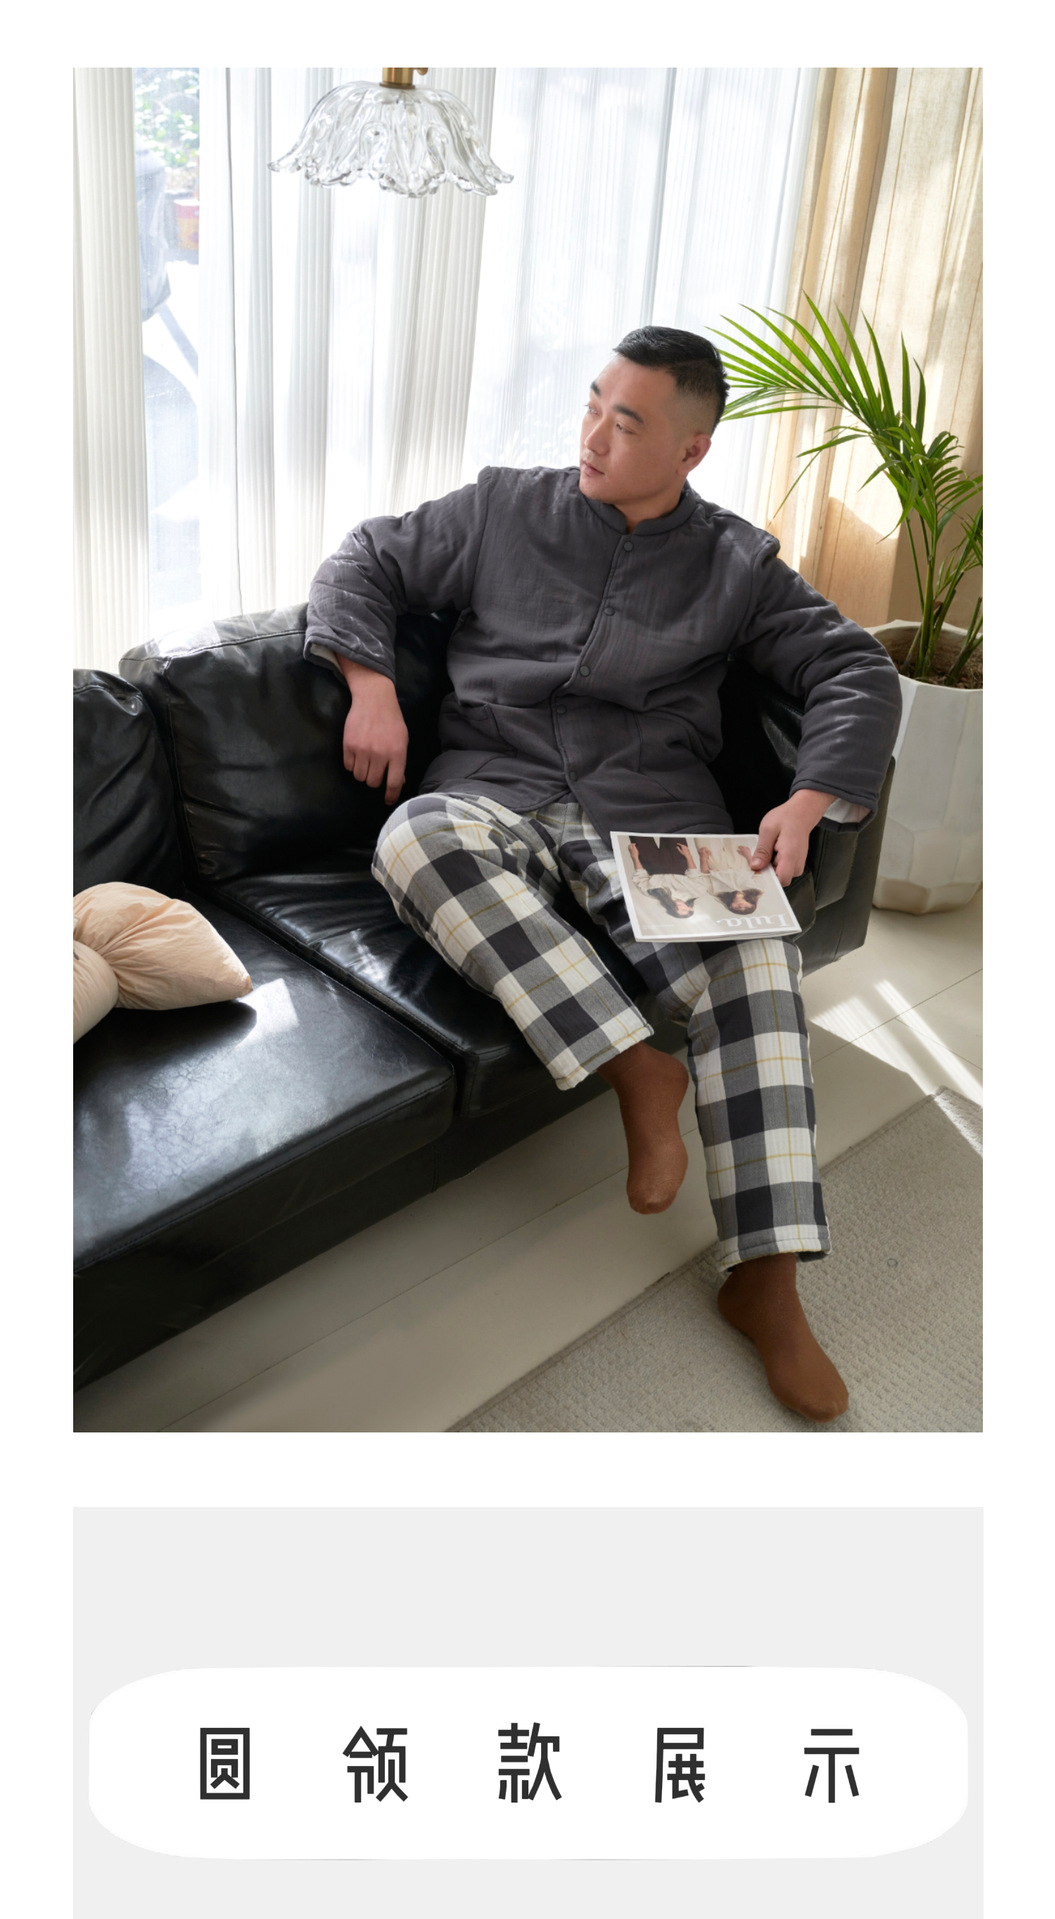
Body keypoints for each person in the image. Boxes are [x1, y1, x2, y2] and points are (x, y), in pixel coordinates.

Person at [305, 326, 902, 1422]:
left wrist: (809, 797)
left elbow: (851, 664)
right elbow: (361, 560)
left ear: (690, 450)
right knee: (412, 840)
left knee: (756, 956)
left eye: (624, 423)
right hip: (492, 787)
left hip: (653, 815)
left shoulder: (735, 564)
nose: (590, 434)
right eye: (590, 404)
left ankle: (766, 1280)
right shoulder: (502, 509)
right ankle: (635, 1069)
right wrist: (369, 684)